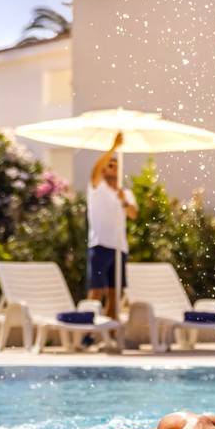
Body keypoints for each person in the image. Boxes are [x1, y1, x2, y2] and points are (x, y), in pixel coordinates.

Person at [88, 132, 138, 321]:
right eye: (109, 164)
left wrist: (123, 200)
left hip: (119, 248)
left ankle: (110, 332)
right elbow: (95, 169)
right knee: (96, 291)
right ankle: (87, 332)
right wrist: (113, 148)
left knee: (114, 293)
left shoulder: (125, 192)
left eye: (116, 165)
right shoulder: (96, 187)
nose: (112, 167)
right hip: (100, 246)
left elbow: (133, 214)